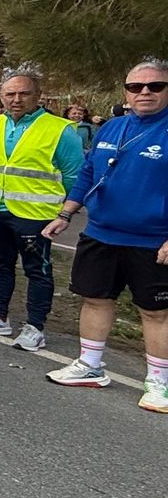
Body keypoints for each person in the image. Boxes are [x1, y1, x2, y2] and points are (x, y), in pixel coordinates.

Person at [42, 59, 168, 412]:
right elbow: (87, 173)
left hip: (152, 239)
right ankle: (90, 365)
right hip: (101, 233)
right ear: (125, 91)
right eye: (135, 87)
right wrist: (66, 213)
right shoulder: (112, 128)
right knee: (95, 299)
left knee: (155, 312)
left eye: (154, 86)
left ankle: (159, 383)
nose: (144, 93)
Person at [0, 72, 85, 351]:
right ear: (1, 97)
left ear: (37, 95)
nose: (15, 100)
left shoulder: (60, 129)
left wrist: (64, 212)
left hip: (36, 212)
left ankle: (35, 326)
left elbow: (74, 175)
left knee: (37, 270)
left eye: (23, 94)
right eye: (9, 94)